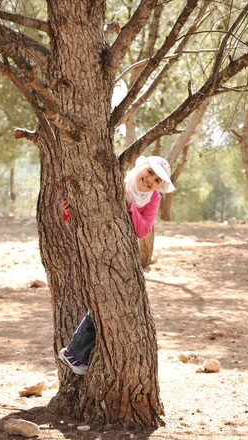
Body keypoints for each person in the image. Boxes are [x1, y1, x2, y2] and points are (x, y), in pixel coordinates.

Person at [58, 155, 175, 375]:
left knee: (112, 301)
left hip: (121, 256)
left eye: (157, 180)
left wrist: (130, 204)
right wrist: (67, 209)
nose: (150, 181)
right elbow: (87, 209)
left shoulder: (152, 199)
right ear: (141, 167)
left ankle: (77, 353)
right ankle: (73, 352)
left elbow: (142, 231)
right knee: (103, 299)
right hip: (96, 248)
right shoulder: (116, 181)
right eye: (149, 172)